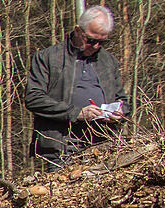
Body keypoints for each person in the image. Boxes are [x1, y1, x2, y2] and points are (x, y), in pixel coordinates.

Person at [25, 5, 129, 172]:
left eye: (102, 42)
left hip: (103, 144)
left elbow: (122, 99)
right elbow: (33, 98)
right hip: (61, 146)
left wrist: (120, 112)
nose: (95, 46)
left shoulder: (108, 62)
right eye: (91, 40)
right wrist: (77, 113)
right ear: (78, 30)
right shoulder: (49, 57)